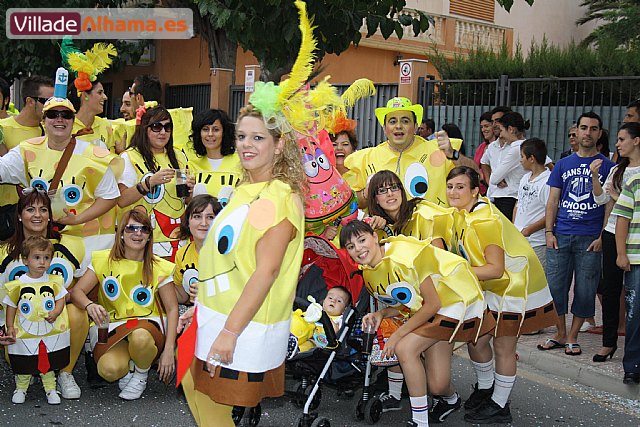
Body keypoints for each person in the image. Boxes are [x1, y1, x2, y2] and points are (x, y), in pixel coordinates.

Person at [177, 103, 306, 426]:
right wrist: (204, 304)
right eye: (242, 136)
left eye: (258, 138)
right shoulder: (245, 190)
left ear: (279, 146)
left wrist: (231, 331)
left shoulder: (278, 197)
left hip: (244, 325)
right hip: (218, 313)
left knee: (213, 404)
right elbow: (229, 258)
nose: (246, 144)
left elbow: (267, 271)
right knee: (195, 386)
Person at [340, 220, 486, 427]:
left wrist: (399, 335)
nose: (359, 249)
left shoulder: (406, 255)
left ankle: (420, 422)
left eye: (362, 240)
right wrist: (382, 313)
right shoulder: (370, 269)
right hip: (433, 310)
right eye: (351, 246)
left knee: (404, 348)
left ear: (375, 237)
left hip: (456, 302)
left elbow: (433, 303)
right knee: (437, 385)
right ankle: (449, 400)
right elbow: (410, 304)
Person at [446, 166, 557, 424]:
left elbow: (495, 269)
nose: (453, 192)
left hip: (514, 287)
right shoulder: (463, 214)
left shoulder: (484, 219)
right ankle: (487, 389)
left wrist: (453, 272)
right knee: (476, 339)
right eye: (450, 186)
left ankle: (499, 405)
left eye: (460, 187)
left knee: (503, 346)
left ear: (476, 191)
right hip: (493, 287)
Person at [70, 209, 178, 400]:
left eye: (144, 229)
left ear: (149, 237)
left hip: (147, 326)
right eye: (131, 228)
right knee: (109, 370)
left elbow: (172, 308)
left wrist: (169, 349)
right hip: (113, 325)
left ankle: (141, 373)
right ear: (120, 233)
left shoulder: (160, 266)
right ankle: (130, 366)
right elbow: (77, 292)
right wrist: (89, 305)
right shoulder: (103, 260)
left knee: (140, 338)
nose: (138, 233)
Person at [0, 97, 122, 254]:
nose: (60, 119)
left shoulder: (95, 156)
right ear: (44, 121)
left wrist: (78, 218)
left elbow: (110, 196)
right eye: (53, 114)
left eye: (66, 115)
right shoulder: (27, 150)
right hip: (42, 245)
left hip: (89, 242)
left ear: (73, 121)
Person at [0, 190, 88, 400]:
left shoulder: (71, 245)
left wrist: (55, 303)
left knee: (78, 311)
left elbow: (80, 289)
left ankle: (65, 373)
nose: (37, 215)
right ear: (20, 215)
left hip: (56, 322)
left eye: (43, 209)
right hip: (20, 327)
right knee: (21, 363)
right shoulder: (4, 253)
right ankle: (26, 371)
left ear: (50, 215)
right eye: (30, 209)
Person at [543, 112, 615, 355]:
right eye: (584, 127)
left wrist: (602, 236)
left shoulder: (609, 167)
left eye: (593, 129)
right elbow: (553, 201)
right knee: (555, 287)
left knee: (585, 289)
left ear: (599, 133)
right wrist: (549, 231)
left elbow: (609, 205)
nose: (587, 132)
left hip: (590, 238)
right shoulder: (563, 164)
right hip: (560, 234)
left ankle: (573, 336)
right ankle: (560, 333)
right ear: (577, 131)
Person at [344, 97, 458, 207]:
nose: (398, 126)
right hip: (384, 227)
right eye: (393, 121)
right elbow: (351, 203)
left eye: (405, 121)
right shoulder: (366, 158)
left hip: (432, 225)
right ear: (384, 128)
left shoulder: (438, 150)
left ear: (415, 126)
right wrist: (366, 193)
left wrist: (452, 154)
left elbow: (472, 177)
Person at [592, 122, 640, 362]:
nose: (618, 144)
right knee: (610, 289)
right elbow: (602, 199)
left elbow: (625, 201)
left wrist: (615, 196)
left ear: (636, 141)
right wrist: (594, 176)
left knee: (635, 294)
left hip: (636, 237)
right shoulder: (617, 170)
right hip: (612, 233)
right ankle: (608, 343)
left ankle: (633, 349)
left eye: (622, 139)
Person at [3, 236, 69, 405]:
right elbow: (10, 306)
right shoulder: (19, 284)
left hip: (49, 330)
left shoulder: (54, 281)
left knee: (47, 360)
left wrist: (56, 311)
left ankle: (50, 388)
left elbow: (61, 298)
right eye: (37, 257)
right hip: (25, 332)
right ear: (25, 259)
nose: (42, 262)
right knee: (25, 360)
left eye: (46, 258)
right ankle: (21, 388)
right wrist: (9, 326)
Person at [117, 106, 189, 260]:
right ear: (145, 129)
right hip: (143, 240)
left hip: (179, 240)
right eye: (156, 126)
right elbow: (122, 200)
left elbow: (185, 200)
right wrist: (149, 183)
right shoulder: (129, 157)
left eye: (167, 127)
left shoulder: (179, 156)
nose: (163, 132)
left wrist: (190, 190)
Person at [0, 76, 53, 239]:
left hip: (37, 223)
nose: (51, 106)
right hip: (6, 220)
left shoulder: (51, 133)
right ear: (30, 101)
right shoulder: (3, 129)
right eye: (47, 101)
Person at [366, 170, 453, 249]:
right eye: (382, 190)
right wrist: (371, 229)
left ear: (401, 191)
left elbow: (440, 256)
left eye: (394, 187)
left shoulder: (423, 214)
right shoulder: (378, 227)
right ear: (375, 199)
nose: (390, 193)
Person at [612, 166, 640, 384]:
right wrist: (621, 253)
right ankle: (633, 366)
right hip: (637, 259)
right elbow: (622, 218)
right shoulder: (634, 182)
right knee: (635, 315)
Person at [173, 194, 222, 305]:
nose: (203, 223)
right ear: (188, 221)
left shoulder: (227, 251)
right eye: (197, 217)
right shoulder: (182, 254)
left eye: (210, 217)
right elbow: (182, 296)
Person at [187, 109, 242, 205]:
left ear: (224, 133)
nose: (210, 134)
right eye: (205, 129)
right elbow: (187, 202)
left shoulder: (241, 161)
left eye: (216, 129)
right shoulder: (191, 165)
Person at [513, 138, 551, 268]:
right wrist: (514, 228)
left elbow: (551, 213)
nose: (520, 160)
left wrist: (529, 230)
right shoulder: (525, 178)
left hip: (537, 242)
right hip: (519, 240)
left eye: (522, 156)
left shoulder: (548, 181)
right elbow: (518, 204)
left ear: (532, 158)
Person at [69, 81, 114, 151]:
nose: (105, 97)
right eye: (100, 92)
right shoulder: (66, 125)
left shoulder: (105, 125)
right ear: (85, 95)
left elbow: (111, 158)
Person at [474, 111, 493, 195]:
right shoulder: (481, 147)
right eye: (482, 127)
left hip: (491, 189)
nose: (483, 130)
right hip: (478, 190)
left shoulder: (500, 148)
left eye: (486, 126)